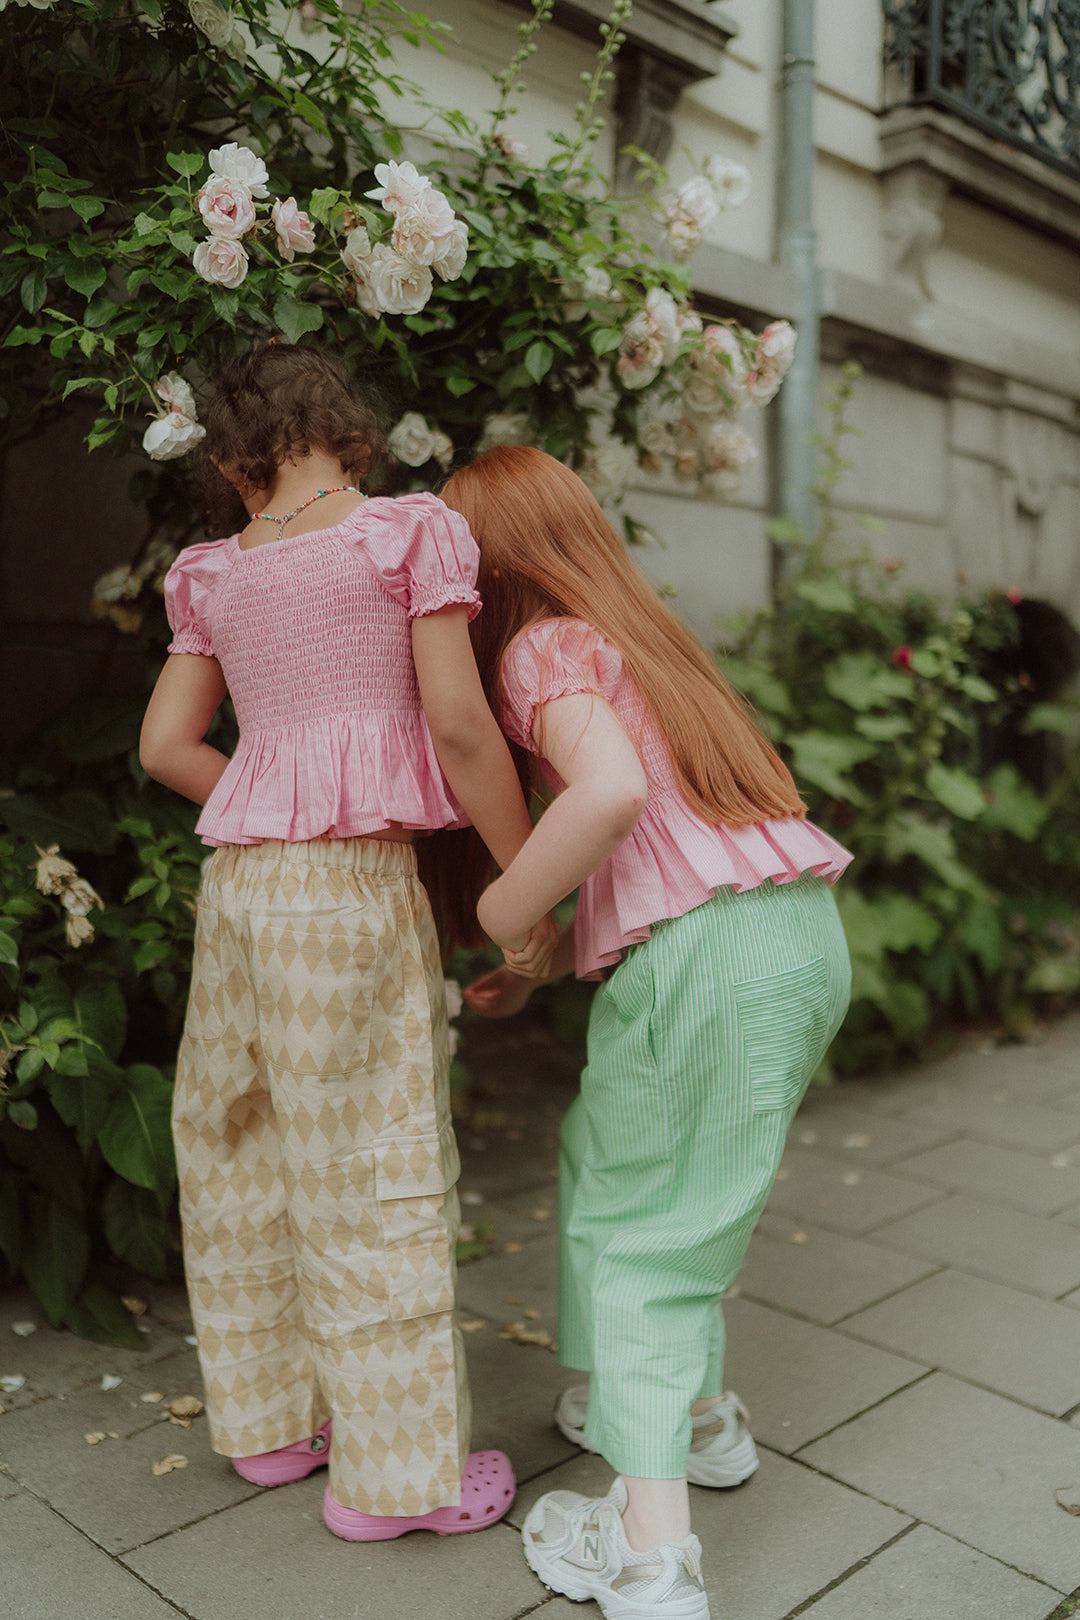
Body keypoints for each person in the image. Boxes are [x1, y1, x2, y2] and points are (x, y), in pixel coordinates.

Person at [139, 345, 554, 1543]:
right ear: (347, 430)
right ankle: (399, 1480)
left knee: (237, 1141)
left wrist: (275, 796)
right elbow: (462, 730)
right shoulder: (401, 537)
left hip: (240, 892)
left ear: (232, 460)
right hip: (349, 894)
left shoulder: (214, 573)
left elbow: (166, 748)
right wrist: (524, 889)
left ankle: (271, 1425)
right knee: (373, 1162)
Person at [439, 446, 853, 1620]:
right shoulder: (646, 642)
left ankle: (648, 1550)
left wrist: (505, 914)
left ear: (488, 569)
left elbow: (611, 796)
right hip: (794, 938)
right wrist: (544, 961)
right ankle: (695, 1419)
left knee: (642, 1237)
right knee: (649, 1175)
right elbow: (663, 831)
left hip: (704, 961)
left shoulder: (538, 648)